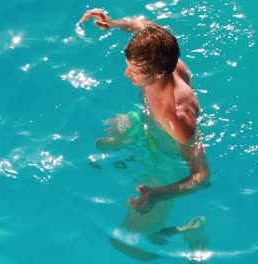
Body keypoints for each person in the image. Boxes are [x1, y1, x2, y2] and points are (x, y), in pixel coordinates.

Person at [80, 9, 211, 260]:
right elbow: (145, 26)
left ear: (160, 73)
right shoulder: (161, 51)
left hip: (164, 153)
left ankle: (190, 231)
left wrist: (158, 193)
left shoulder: (177, 118)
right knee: (103, 141)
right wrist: (114, 23)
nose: (126, 74)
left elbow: (202, 176)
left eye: (134, 71)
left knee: (128, 243)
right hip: (145, 121)